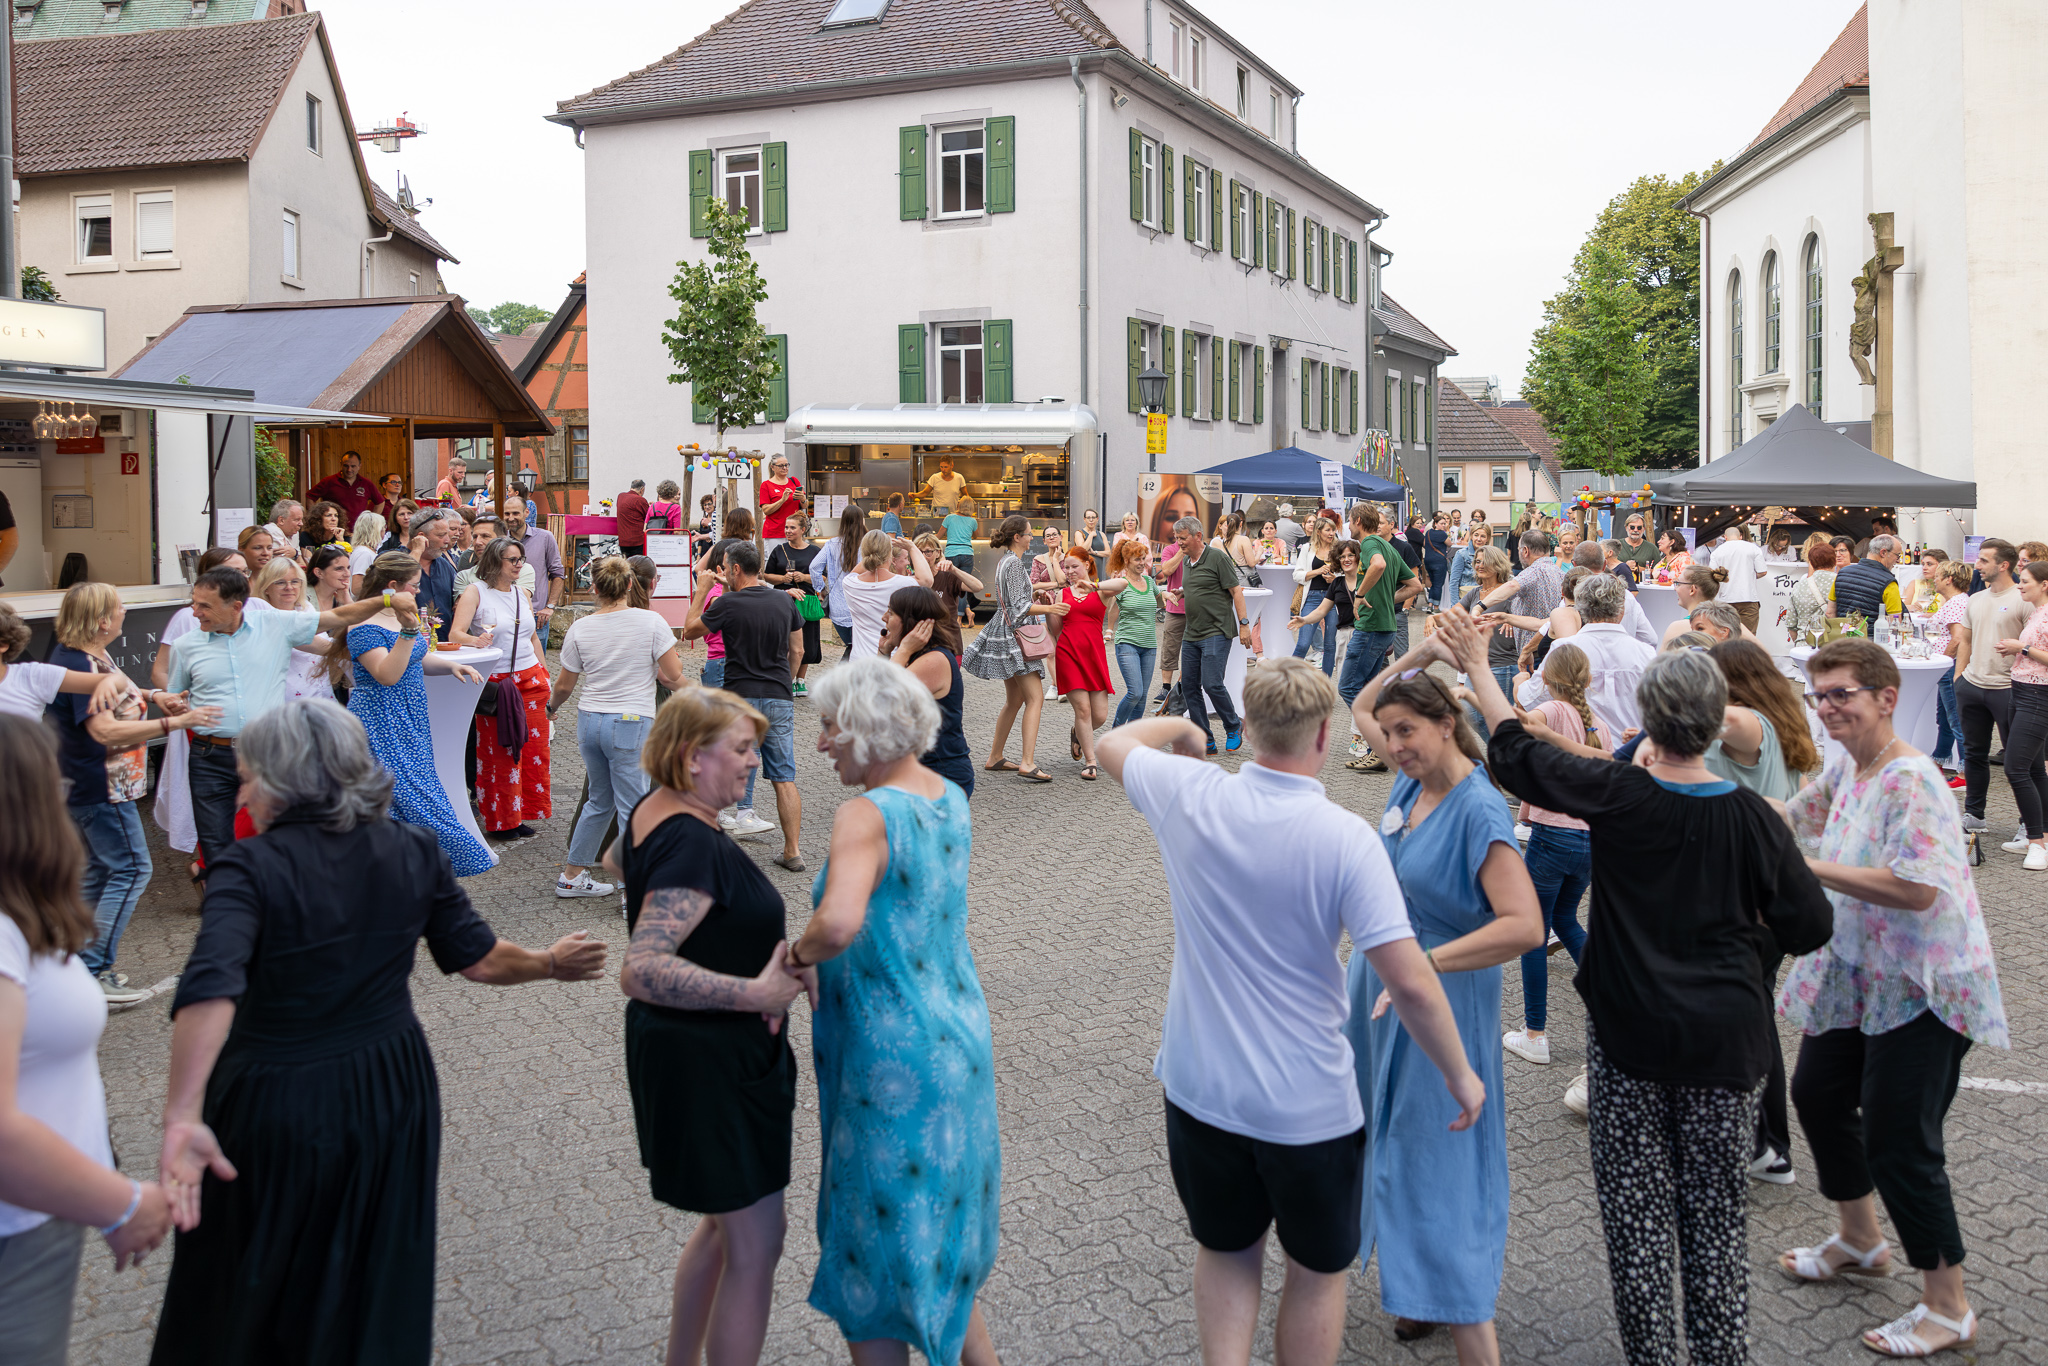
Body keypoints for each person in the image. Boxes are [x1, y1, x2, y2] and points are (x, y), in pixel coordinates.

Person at [150, 700, 605, 1366]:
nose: (243, 790)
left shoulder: (249, 867)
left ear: (283, 781)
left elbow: (211, 988)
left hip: (275, 1097)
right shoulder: (412, 848)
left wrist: (180, 1117)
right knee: (376, 1257)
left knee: (249, 1267)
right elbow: (476, 959)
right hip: (389, 1088)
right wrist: (546, 964)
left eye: (248, 777)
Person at [1445, 613, 1832, 1366]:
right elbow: (1811, 922)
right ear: (1717, 722)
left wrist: (1479, 670)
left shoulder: (1622, 793)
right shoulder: (1756, 816)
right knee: (1714, 1226)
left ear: (1650, 721)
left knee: (1637, 1227)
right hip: (1725, 1047)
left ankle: (1653, 1355)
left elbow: (1519, 754)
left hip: (1628, 1045)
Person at [1097, 659, 1483, 1366]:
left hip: (1200, 1089)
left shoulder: (1189, 792)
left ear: (1245, 727)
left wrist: (1183, 724)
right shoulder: (1346, 838)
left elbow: (1109, 743)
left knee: (1226, 1252)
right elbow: (1413, 984)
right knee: (1315, 1272)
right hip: (1307, 1106)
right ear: (1325, 737)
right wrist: (1461, 1075)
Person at [1778, 639, 2007, 1358]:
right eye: (1820, 696)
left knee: (1901, 1142)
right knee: (1816, 1092)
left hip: (1927, 987)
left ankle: (1949, 1305)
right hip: (1861, 976)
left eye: (1842, 693)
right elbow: (1784, 816)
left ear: (1884, 697)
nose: (1828, 708)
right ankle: (1860, 1237)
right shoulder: (1854, 766)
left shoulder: (1911, 779)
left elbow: (1919, 887)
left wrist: (1810, 867)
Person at [784, 659, 1002, 1364]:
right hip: (957, 1037)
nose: (821, 744)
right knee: (939, 1247)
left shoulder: (866, 813)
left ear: (866, 730)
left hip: (890, 1055)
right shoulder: (946, 795)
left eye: (828, 727)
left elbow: (839, 922)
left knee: (875, 1256)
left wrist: (796, 954)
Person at [1344, 646, 1544, 1360]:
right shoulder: (1409, 782)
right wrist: (1427, 648)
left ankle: (1454, 1297)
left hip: (1442, 993)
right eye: (1390, 733)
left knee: (1433, 1149)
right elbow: (1360, 704)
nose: (1393, 744)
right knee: (1380, 1132)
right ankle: (1416, 1286)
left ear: (1448, 723)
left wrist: (1424, 963)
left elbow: (1525, 927)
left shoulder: (1478, 807)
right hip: (1377, 984)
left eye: (1407, 732)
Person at [601, 687, 805, 1366]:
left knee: (726, 1228)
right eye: (742, 749)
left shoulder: (656, 811)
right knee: (757, 1244)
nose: (756, 760)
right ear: (693, 758)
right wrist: (757, 990)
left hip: (699, 1055)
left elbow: (616, 863)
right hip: (711, 1061)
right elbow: (644, 969)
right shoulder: (691, 840)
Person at [0, 716, 174, 1358]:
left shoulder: (20, 915)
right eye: (52, 781)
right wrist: (121, 1203)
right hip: (18, 1221)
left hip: (42, 1205)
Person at [167, 566, 402, 869]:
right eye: (194, 602)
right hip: (209, 755)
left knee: (281, 831)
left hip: (266, 753)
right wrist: (172, 704)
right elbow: (175, 695)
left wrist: (387, 600)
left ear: (236, 606)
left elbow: (339, 618)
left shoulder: (273, 624)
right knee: (215, 841)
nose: (194, 612)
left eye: (204, 605)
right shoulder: (185, 646)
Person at [46, 585, 215, 1006]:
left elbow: (116, 691)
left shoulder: (82, 656)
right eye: (120, 608)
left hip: (91, 785)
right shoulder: (80, 660)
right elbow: (103, 730)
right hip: (100, 786)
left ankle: (71, 967)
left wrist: (155, 696)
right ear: (102, 620)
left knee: (97, 874)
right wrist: (172, 724)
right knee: (131, 869)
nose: (124, 613)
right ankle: (92, 970)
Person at [337, 552, 496, 877]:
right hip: (379, 720)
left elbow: (415, 659)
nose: (418, 592)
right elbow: (387, 674)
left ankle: (409, 873)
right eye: (413, 586)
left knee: (415, 791)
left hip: (410, 719)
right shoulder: (363, 626)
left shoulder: (400, 618)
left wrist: (451, 665)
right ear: (392, 587)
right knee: (403, 796)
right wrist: (410, 633)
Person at [549, 557, 688, 896]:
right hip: (630, 723)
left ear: (594, 588)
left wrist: (550, 709)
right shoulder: (652, 622)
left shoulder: (580, 627)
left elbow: (565, 685)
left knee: (599, 801)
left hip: (589, 721)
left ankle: (572, 875)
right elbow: (671, 675)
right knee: (633, 808)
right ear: (630, 585)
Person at [1498, 643, 1606, 1069]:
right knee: (1565, 920)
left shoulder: (1553, 712)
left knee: (1532, 933)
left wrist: (1518, 685)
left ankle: (1535, 1034)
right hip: (1588, 842)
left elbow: (1523, 724)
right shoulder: (1598, 724)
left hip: (1551, 839)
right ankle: (1610, 1001)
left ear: (1548, 677)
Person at [688, 542, 807, 872]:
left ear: (736, 569)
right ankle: (792, 851)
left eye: (726, 567)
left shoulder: (727, 603)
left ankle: (711, 849)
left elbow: (689, 630)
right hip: (779, 696)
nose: (723, 571)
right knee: (784, 776)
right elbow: (797, 650)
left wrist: (701, 591)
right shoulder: (784, 601)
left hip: (741, 697)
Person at [450, 538, 552, 843]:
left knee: (534, 751)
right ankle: (500, 819)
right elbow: (456, 633)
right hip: (499, 685)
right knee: (499, 753)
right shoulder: (476, 591)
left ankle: (521, 813)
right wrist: (476, 641)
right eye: (513, 560)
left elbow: (533, 639)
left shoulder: (521, 593)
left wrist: (546, 677)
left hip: (531, 678)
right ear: (496, 562)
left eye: (521, 559)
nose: (520, 564)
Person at [964, 516, 1061, 783]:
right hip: (1018, 639)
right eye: (1030, 534)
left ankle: (995, 756)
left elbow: (1013, 601)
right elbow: (1020, 609)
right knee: (1035, 699)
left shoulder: (1005, 561)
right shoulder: (1016, 564)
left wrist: (1035, 596)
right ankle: (1027, 762)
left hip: (1005, 635)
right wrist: (1050, 607)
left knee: (1014, 700)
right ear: (1017, 536)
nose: (1033, 538)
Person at [1951, 539, 2032, 840]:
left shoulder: (2023, 599)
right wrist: (1960, 677)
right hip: (1972, 685)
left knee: (2019, 760)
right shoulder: (1976, 598)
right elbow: (1966, 640)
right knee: (1973, 753)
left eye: (1984, 560)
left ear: (2004, 565)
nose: (1977, 566)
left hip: (2009, 689)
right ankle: (1974, 815)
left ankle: (2029, 823)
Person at [1339, 506, 1421, 768]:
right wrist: (1386, 599)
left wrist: (1361, 595)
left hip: (1372, 628)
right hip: (1384, 628)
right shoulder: (1390, 547)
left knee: (1349, 687)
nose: (1349, 527)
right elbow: (1415, 586)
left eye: (1350, 522)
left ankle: (1381, 742)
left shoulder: (1372, 542)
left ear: (1359, 521)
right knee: (1368, 687)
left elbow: (1378, 565)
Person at [882, 585, 973, 796]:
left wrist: (903, 649)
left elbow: (881, 698)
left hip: (940, 774)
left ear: (911, 622)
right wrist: (886, 652)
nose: (884, 617)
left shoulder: (933, 661)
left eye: (891, 612)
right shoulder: (918, 657)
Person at [1175, 516, 1255, 756]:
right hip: (1192, 633)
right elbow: (1198, 587)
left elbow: (1236, 591)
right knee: (1189, 686)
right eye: (1177, 538)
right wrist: (1181, 592)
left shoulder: (1217, 557)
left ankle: (1233, 725)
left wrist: (1244, 625)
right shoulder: (1188, 562)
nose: (1179, 543)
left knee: (1212, 683)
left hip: (1217, 631)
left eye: (1183, 538)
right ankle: (1205, 738)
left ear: (1198, 536)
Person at [1050, 544, 1127, 780]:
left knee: (1100, 715)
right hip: (1069, 654)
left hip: (1094, 656)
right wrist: (1050, 608)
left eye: (1074, 566)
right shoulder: (1062, 593)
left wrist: (1093, 584)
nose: (1070, 572)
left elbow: (1123, 584)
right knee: (1083, 710)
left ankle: (1077, 733)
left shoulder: (1100, 590)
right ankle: (1090, 761)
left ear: (1087, 564)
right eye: (1066, 568)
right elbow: (1055, 630)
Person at [1990, 560, 2048, 867]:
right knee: (2034, 769)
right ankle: (2039, 837)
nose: (2020, 585)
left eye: (2025, 580)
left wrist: (2021, 647)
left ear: (2044, 584)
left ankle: (2037, 842)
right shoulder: (2037, 612)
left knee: (2016, 768)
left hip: (2037, 696)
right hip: (2021, 691)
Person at [841, 531, 932, 659]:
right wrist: (912, 547)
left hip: (859, 660)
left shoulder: (850, 583)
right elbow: (927, 580)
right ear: (890, 553)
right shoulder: (902, 583)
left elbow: (854, 572)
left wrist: (872, 550)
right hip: (893, 658)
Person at [1109, 539, 1165, 728]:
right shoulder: (1121, 583)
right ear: (1126, 561)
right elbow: (1113, 609)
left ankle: (1133, 737)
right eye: (1137, 560)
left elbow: (1159, 603)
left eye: (1143, 559)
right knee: (1135, 692)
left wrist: (1170, 596)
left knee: (1142, 697)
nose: (1142, 563)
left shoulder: (1150, 581)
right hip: (1127, 643)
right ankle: (1116, 729)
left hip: (1149, 645)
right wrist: (1109, 630)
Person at [765, 513, 823, 695]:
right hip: (784, 600)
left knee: (807, 641)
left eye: (792, 528)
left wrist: (805, 577)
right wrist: (783, 578)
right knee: (785, 642)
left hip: (806, 601)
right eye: (786, 527)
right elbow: (766, 576)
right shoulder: (779, 550)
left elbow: (824, 577)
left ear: (803, 530)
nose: (788, 531)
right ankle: (787, 678)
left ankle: (801, 680)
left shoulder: (814, 551)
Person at [1926, 559, 1972, 782]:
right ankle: (1938, 762)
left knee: (1955, 718)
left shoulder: (1956, 603)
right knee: (1944, 718)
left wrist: (1942, 662)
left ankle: (1965, 773)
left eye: (1938, 575)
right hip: (1946, 666)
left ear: (1949, 579)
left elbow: (1958, 638)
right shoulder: (1955, 602)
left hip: (1949, 667)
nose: (1934, 578)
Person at [501, 493, 567, 631]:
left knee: (538, 653)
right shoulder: (500, 542)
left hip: (537, 616)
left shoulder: (544, 538)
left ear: (526, 513)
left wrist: (550, 606)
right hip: (505, 614)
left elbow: (558, 573)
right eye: (507, 514)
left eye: (515, 513)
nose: (510, 518)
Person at [1290, 517, 1342, 674]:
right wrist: (1317, 571)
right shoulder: (1307, 548)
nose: (1331, 533)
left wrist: (1334, 579)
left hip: (1332, 598)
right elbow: (1297, 575)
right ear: (1318, 532)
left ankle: (1324, 684)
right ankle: (1287, 679)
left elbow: (1347, 575)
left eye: (1333, 530)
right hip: (1311, 597)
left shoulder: (1339, 549)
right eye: (1328, 530)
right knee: (1303, 643)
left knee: (1330, 645)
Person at [813, 506, 865, 660]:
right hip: (862, 605)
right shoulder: (868, 543)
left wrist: (820, 589)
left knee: (852, 646)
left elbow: (814, 567)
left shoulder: (831, 544)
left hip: (838, 608)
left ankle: (846, 678)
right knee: (859, 648)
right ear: (862, 521)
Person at [406, 507, 459, 641]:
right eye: (441, 535)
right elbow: (401, 575)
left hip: (443, 646)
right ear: (421, 537)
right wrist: (417, 550)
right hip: (408, 646)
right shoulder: (392, 559)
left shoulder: (445, 565)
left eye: (447, 534)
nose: (447, 541)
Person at [1829, 535, 1905, 621]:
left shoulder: (1841, 574)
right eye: (1898, 555)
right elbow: (1895, 621)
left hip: (1843, 633)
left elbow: (1830, 613)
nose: (1898, 560)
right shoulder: (1889, 583)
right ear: (1883, 553)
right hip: (1873, 634)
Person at [1709, 522, 1768, 634]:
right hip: (1748, 598)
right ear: (1740, 536)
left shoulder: (1717, 552)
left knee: (1725, 634)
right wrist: (1748, 576)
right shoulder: (1753, 548)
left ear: (1725, 537)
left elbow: (1713, 575)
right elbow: (1762, 572)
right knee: (1748, 635)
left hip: (1725, 599)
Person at [1659, 563, 1732, 645]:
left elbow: (1663, 657)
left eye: (1678, 583)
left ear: (1692, 590)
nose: (1675, 588)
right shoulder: (1731, 624)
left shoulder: (1677, 628)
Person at [307, 449, 375, 528]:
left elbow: (380, 502)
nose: (349, 470)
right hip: (334, 530)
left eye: (353, 466)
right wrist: (317, 518)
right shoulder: (329, 481)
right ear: (341, 464)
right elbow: (309, 497)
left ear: (360, 466)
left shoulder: (366, 483)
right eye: (346, 466)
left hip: (359, 531)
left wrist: (370, 520)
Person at [1787, 540, 1838, 644]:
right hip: (1833, 645)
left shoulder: (1799, 586)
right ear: (1834, 560)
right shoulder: (1841, 582)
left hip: (1804, 643)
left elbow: (1791, 625)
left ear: (1811, 562)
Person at [942, 497, 981, 621]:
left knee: (950, 586)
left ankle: (951, 615)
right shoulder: (972, 521)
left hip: (951, 554)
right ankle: (959, 618)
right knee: (962, 586)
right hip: (967, 554)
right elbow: (976, 536)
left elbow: (938, 535)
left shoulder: (949, 518)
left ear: (959, 505)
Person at [758, 455, 802, 553]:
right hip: (775, 533)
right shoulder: (766, 485)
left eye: (786, 465)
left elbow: (804, 506)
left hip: (794, 531)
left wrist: (803, 499)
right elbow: (766, 510)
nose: (785, 468)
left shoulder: (794, 481)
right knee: (775, 563)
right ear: (772, 467)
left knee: (794, 562)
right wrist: (782, 500)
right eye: (781, 465)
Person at [1904, 548, 1949, 614]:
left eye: (1929, 564)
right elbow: (1901, 608)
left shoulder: (1947, 587)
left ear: (1941, 566)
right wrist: (1913, 607)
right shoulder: (1914, 584)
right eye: (1923, 564)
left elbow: (1947, 613)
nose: (1924, 568)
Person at [616, 478, 651, 558]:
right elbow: (648, 516)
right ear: (642, 489)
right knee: (638, 566)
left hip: (623, 540)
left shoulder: (620, 496)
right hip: (637, 541)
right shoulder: (640, 500)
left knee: (627, 565)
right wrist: (650, 507)